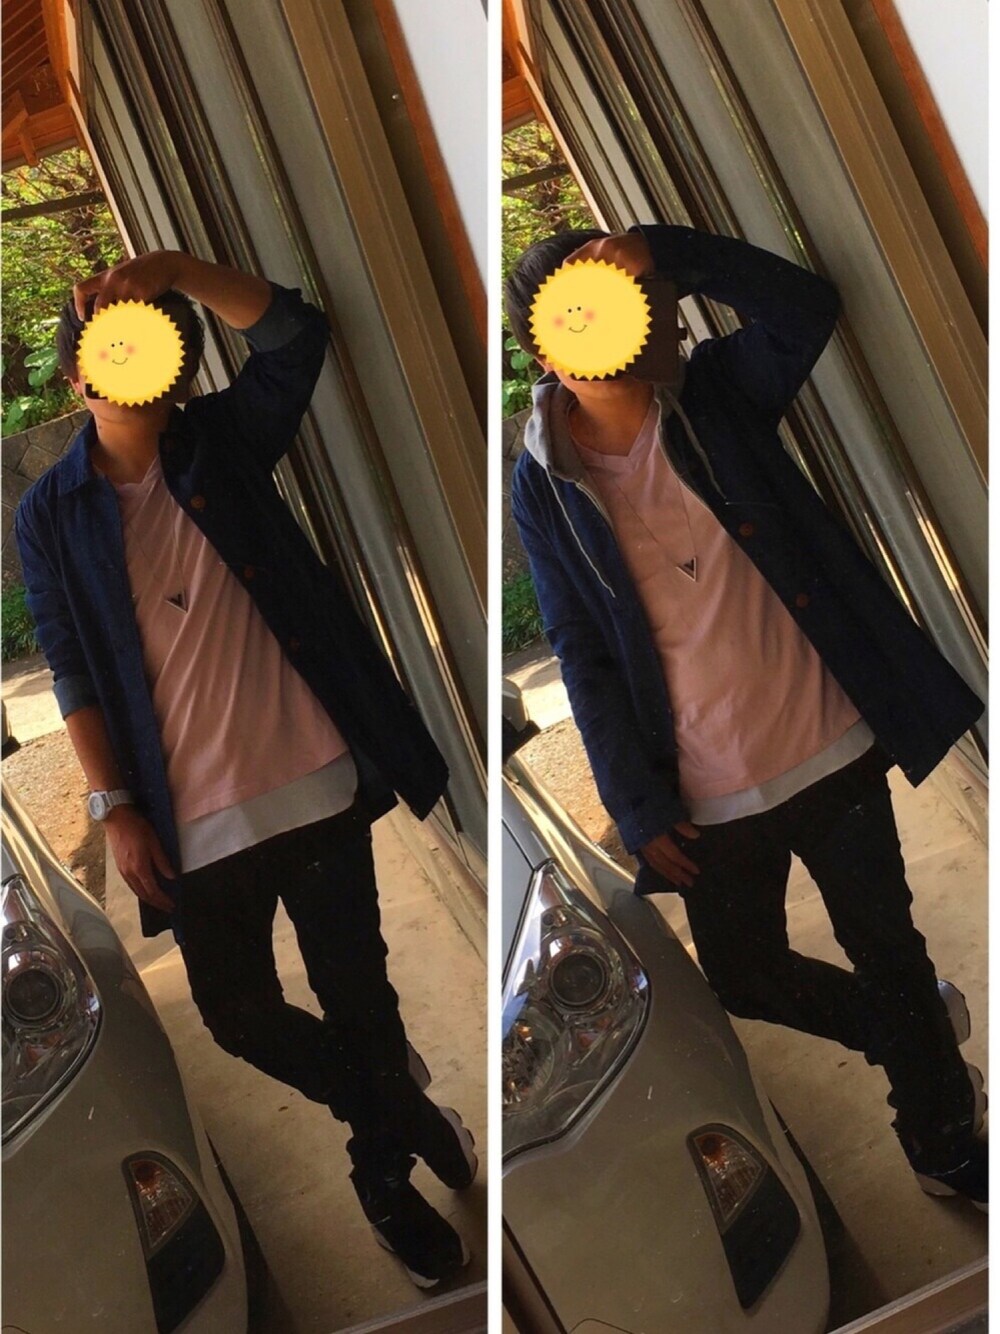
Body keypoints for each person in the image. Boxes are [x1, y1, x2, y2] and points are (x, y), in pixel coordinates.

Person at [15, 250, 476, 1286]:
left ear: (177, 367)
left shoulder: (220, 442)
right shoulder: (50, 513)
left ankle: (385, 1179)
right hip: (189, 817)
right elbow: (70, 665)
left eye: (150, 347)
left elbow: (293, 338)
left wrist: (178, 269)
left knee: (358, 993)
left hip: (311, 777)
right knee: (237, 1015)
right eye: (108, 351)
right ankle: (402, 1107)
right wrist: (115, 805)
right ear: (80, 377)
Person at [506, 224, 987, 1210]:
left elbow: (805, 307)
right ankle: (916, 1037)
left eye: (640, 301)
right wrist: (634, 800)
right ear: (546, 343)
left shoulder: (718, 393)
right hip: (704, 787)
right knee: (745, 972)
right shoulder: (540, 479)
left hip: (828, 737)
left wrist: (665, 249)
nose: (645, 322)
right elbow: (579, 647)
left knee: (887, 945)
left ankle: (942, 1135)